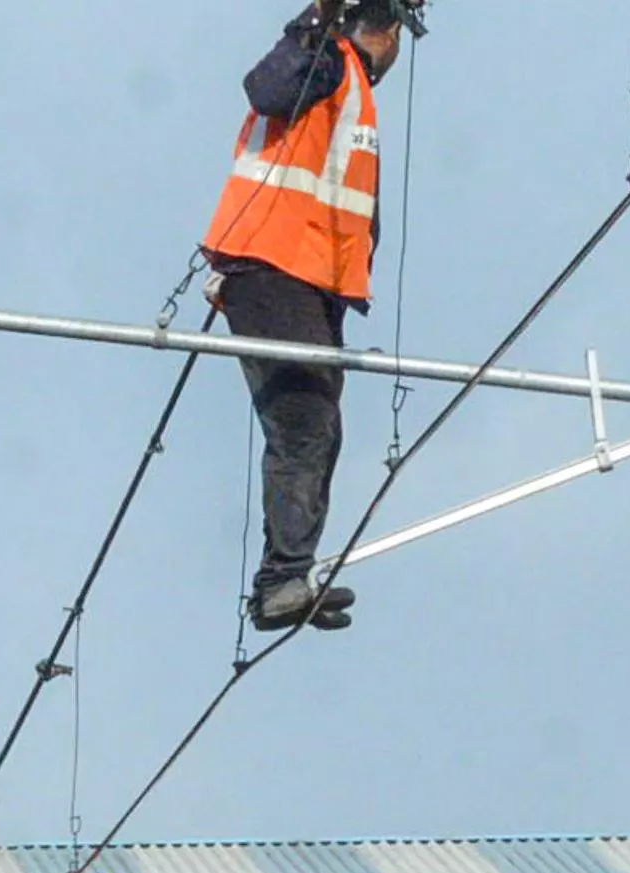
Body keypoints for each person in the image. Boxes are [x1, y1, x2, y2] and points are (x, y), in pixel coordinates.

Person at [204, 0, 413, 630]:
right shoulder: (326, 61)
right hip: (273, 269)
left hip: (306, 283)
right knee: (304, 423)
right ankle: (281, 583)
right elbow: (268, 86)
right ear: (390, 30)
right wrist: (318, 17)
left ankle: (286, 576)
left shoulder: (343, 86)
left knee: (317, 424)